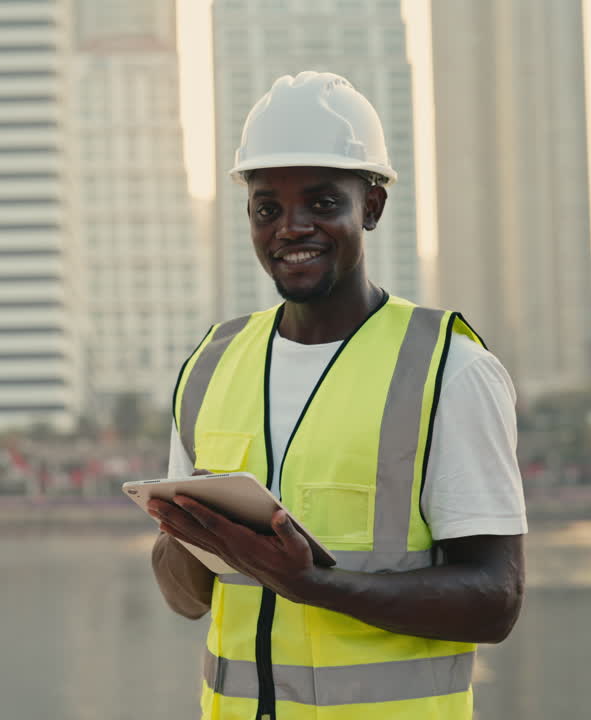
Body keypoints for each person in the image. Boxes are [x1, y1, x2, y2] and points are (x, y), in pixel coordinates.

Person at [146, 71, 527, 720]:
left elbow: (495, 601)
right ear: (249, 216)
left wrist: (311, 586)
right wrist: (192, 537)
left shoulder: (447, 370)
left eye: (322, 203)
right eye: (268, 208)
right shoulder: (211, 368)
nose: (291, 228)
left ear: (371, 207)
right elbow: (187, 600)